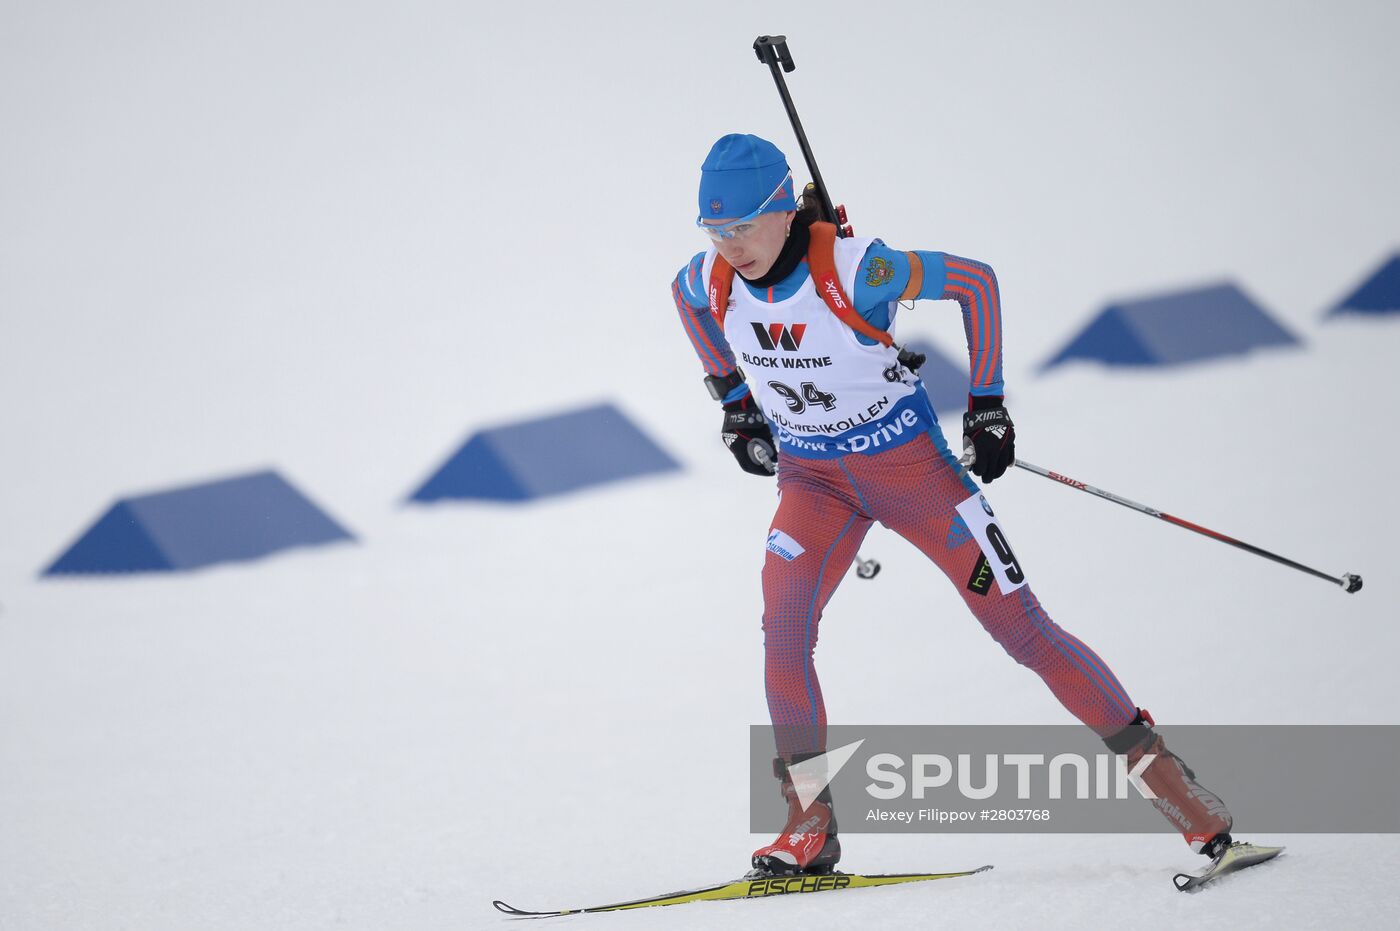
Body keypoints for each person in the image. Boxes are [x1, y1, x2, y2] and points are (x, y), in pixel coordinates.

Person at [671, 133, 1238, 876]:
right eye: (714, 230)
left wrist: (988, 406)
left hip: (913, 475)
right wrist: (738, 406)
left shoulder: (855, 267)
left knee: (1022, 630)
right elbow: (687, 304)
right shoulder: (708, 277)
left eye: (741, 225)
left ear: (782, 208)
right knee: (783, 629)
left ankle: (1186, 800)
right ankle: (808, 825)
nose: (728, 245)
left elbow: (975, 282)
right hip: (813, 481)